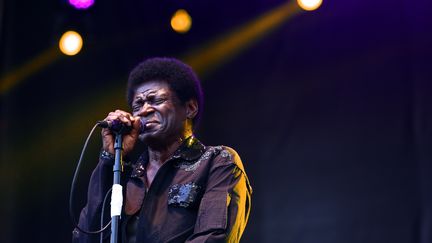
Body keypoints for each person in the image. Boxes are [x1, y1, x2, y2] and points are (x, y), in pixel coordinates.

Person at [72, 57, 252, 243]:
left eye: (155, 100)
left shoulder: (218, 162)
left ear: (190, 108)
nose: (144, 110)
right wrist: (110, 159)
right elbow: (85, 237)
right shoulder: (126, 177)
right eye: (137, 105)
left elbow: (214, 238)